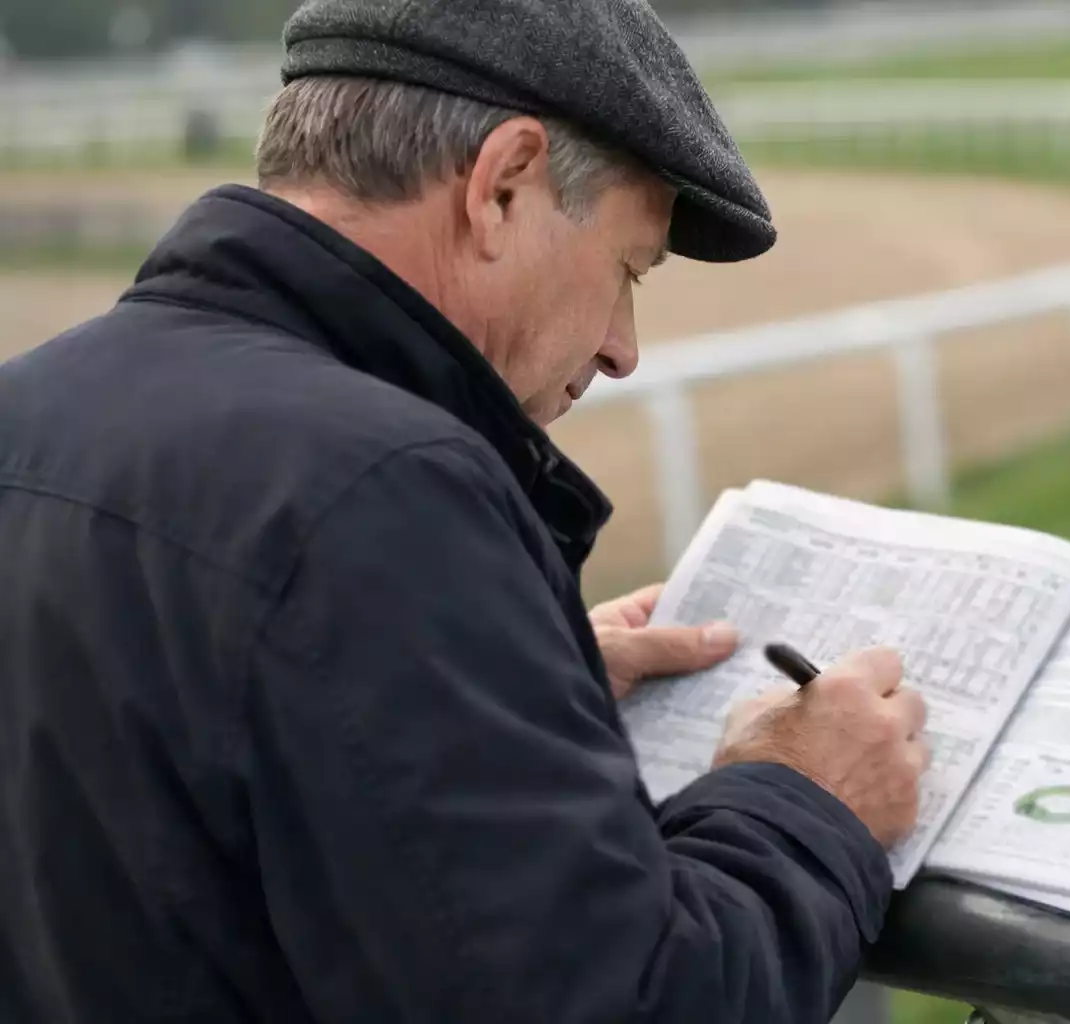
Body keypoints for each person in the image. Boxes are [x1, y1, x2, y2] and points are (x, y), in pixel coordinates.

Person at [0, 2, 932, 1023]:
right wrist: (806, 795)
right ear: (502, 185)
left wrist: (504, 684)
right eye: (628, 268)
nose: (625, 347)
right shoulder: (383, 495)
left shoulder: (32, 405)